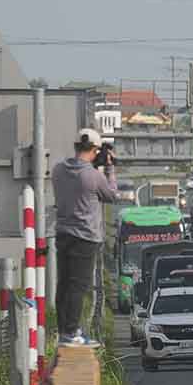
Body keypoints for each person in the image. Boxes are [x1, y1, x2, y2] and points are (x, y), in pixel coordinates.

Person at [52, 128, 121, 346]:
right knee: (78, 286)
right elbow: (112, 195)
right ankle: (71, 333)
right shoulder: (93, 175)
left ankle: (64, 329)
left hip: (63, 233)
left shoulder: (58, 170)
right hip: (86, 238)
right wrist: (109, 167)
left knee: (63, 284)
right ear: (94, 150)